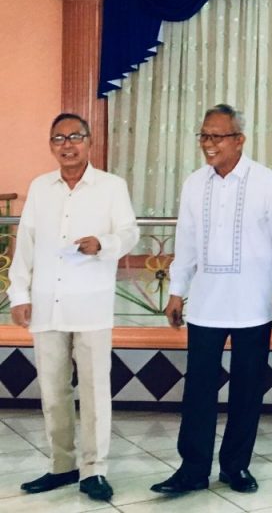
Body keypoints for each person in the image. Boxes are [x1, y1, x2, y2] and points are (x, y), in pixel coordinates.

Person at [151, 104, 272, 496]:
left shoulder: (269, 183)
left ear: (239, 140)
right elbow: (185, 243)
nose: (208, 144)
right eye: (204, 136)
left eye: (217, 136)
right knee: (198, 389)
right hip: (206, 303)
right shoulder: (193, 184)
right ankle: (192, 469)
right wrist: (177, 291)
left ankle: (236, 467)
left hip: (253, 302)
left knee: (247, 390)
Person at [9, 113, 139, 503]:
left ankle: (94, 470)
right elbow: (25, 243)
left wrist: (103, 244)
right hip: (47, 304)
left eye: (75, 137)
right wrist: (20, 295)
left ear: (89, 141)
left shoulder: (111, 187)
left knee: (96, 390)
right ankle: (62, 465)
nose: (67, 145)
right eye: (59, 138)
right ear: (51, 145)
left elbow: (130, 233)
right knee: (53, 391)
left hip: (91, 303)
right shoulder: (40, 187)